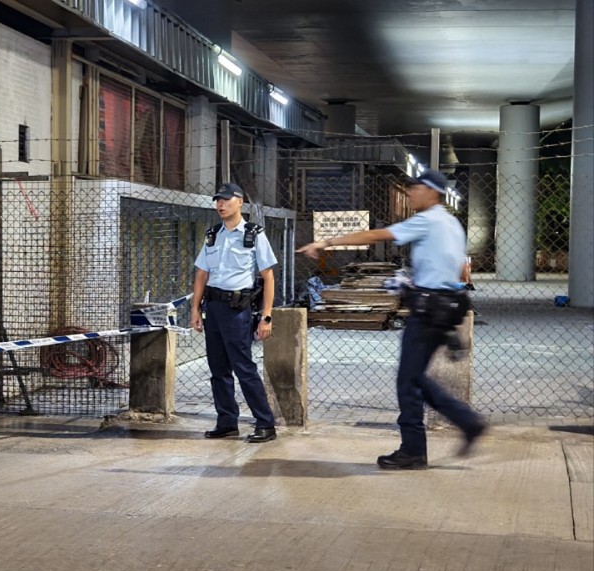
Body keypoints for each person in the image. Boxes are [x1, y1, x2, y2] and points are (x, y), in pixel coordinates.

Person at [297, 169, 486, 470]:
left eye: (415, 188)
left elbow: (377, 235)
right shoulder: (451, 223)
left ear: (432, 192)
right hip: (447, 307)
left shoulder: (428, 219)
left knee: (407, 382)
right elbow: (450, 267)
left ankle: (417, 448)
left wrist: (326, 242)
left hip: (428, 310)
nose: (410, 192)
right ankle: (463, 422)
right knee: (414, 378)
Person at [190, 182, 279, 443]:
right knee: (218, 369)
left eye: (226, 200)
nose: (220, 204)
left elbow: (268, 277)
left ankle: (265, 424)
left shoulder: (254, 234)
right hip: (213, 308)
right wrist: (195, 309)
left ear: (240, 202)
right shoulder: (212, 235)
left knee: (244, 368)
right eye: (218, 200)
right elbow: (201, 274)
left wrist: (266, 316)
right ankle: (227, 421)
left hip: (237, 310)